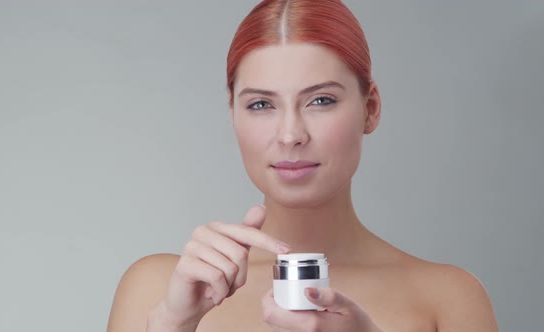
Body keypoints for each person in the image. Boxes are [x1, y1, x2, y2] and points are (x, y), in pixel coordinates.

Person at [107, 0, 498, 331]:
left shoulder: (449, 299)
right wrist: (170, 323)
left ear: (370, 108)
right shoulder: (159, 288)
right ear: (233, 113)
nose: (291, 134)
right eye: (261, 104)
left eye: (321, 100)